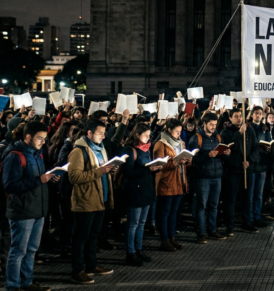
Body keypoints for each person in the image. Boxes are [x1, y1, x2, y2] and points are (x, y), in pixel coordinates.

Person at [1, 121, 56, 291]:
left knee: (31, 249)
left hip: (37, 209)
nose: (43, 142)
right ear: (27, 137)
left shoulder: (37, 154)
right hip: (22, 210)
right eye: (40, 138)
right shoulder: (15, 156)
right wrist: (39, 180)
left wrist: (49, 177)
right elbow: (10, 185)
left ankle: (27, 282)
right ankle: (13, 286)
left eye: (45, 139)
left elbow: (37, 179)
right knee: (18, 251)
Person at [68, 118, 115, 285]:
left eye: (104, 133)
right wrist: (100, 171)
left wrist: (110, 169)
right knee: (81, 237)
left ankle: (91, 265)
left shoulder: (100, 149)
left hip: (100, 199)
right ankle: (77, 270)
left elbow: (102, 170)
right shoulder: (79, 151)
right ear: (89, 133)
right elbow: (74, 177)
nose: (103, 136)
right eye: (100, 133)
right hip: (85, 200)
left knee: (93, 236)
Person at [120, 123, 161, 266]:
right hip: (135, 191)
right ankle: (129, 253)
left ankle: (139, 249)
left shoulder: (146, 149)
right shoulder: (129, 150)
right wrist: (149, 170)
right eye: (146, 135)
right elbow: (128, 172)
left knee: (142, 223)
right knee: (133, 224)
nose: (148, 138)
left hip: (147, 190)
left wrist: (156, 168)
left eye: (150, 135)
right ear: (137, 135)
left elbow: (147, 169)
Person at [220, 108, 261, 235]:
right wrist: (239, 133)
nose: (238, 118)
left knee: (247, 197)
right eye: (236, 116)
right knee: (231, 199)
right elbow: (230, 148)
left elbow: (255, 148)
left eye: (240, 116)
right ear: (231, 118)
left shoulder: (250, 131)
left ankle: (247, 222)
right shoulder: (225, 133)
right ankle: (230, 225)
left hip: (247, 169)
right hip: (232, 170)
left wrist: (249, 161)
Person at [188, 112, 227, 244]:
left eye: (215, 124)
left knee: (214, 205)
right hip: (202, 177)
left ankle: (212, 230)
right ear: (204, 123)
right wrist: (207, 155)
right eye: (211, 124)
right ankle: (201, 233)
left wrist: (226, 153)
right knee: (201, 205)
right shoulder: (196, 138)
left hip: (217, 176)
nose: (213, 127)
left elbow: (221, 156)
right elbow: (191, 159)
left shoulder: (217, 137)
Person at [153, 119, 191, 250]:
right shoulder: (160, 144)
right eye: (176, 131)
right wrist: (175, 162)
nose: (178, 134)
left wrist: (188, 160)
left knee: (174, 212)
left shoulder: (181, 143)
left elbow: (184, 162)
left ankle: (172, 237)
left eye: (180, 132)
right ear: (169, 130)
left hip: (179, 180)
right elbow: (159, 164)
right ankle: (164, 239)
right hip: (166, 182)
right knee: (165, 212)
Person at [248, 106, 271, 228]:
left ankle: (257, 216)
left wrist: (267, 147)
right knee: (250, 194)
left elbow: (269, 142)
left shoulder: (265, 128)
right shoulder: (248, 127)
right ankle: (249, 218)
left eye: (260, 113)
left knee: (259, 194)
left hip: (261, 164)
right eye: (256, 113)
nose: (258, 115)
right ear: (252, 115)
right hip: (251, 165)